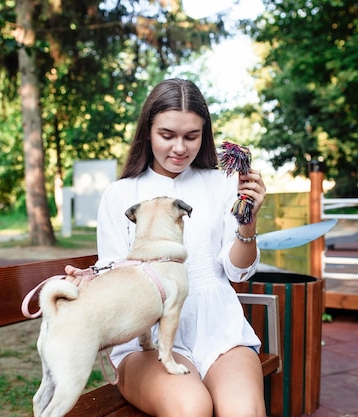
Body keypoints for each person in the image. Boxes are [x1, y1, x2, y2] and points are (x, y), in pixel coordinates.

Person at [65, 78, 268, 417]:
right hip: (147, 337)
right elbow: (115, 270)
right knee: (191, 407)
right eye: (167, 135)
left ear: (205, 134)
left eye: (191, 136)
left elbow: (237, 271)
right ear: (148, 131)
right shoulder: (121, 194)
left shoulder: (222, 184)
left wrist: (248, 220)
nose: (179, 148)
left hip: (219, 328)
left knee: (243, 411)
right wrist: (90, 280)